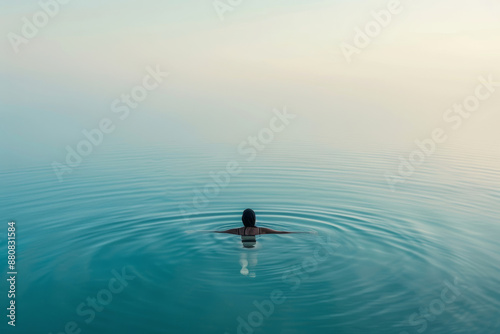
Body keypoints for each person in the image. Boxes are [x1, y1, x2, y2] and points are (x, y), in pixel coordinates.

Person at [214, 208, 305, 236]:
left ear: (242, 219)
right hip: (254, 246)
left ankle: (244, 265)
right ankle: (252, 269)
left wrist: (203, 231)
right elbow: (281, 232)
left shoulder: (237, 230)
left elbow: (222, 231)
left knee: (243, 255)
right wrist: (306, 232)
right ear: (254, 219)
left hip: (242, 244)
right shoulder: (261, 230)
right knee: (254, 256)